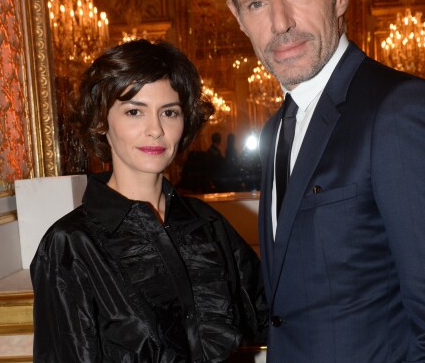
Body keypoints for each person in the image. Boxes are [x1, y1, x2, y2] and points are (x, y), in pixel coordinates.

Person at [220, 0, 425, 362]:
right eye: (257, 3)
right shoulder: (276, 129)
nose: (280, 23)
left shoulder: (401, 111)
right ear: (238, 16)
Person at [30, 39, 267, 362]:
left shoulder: (207, 224)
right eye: (134, 112)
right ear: (102, 122)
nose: (155, 129)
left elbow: (269, 314)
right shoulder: (71, 245)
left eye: (169, 112)